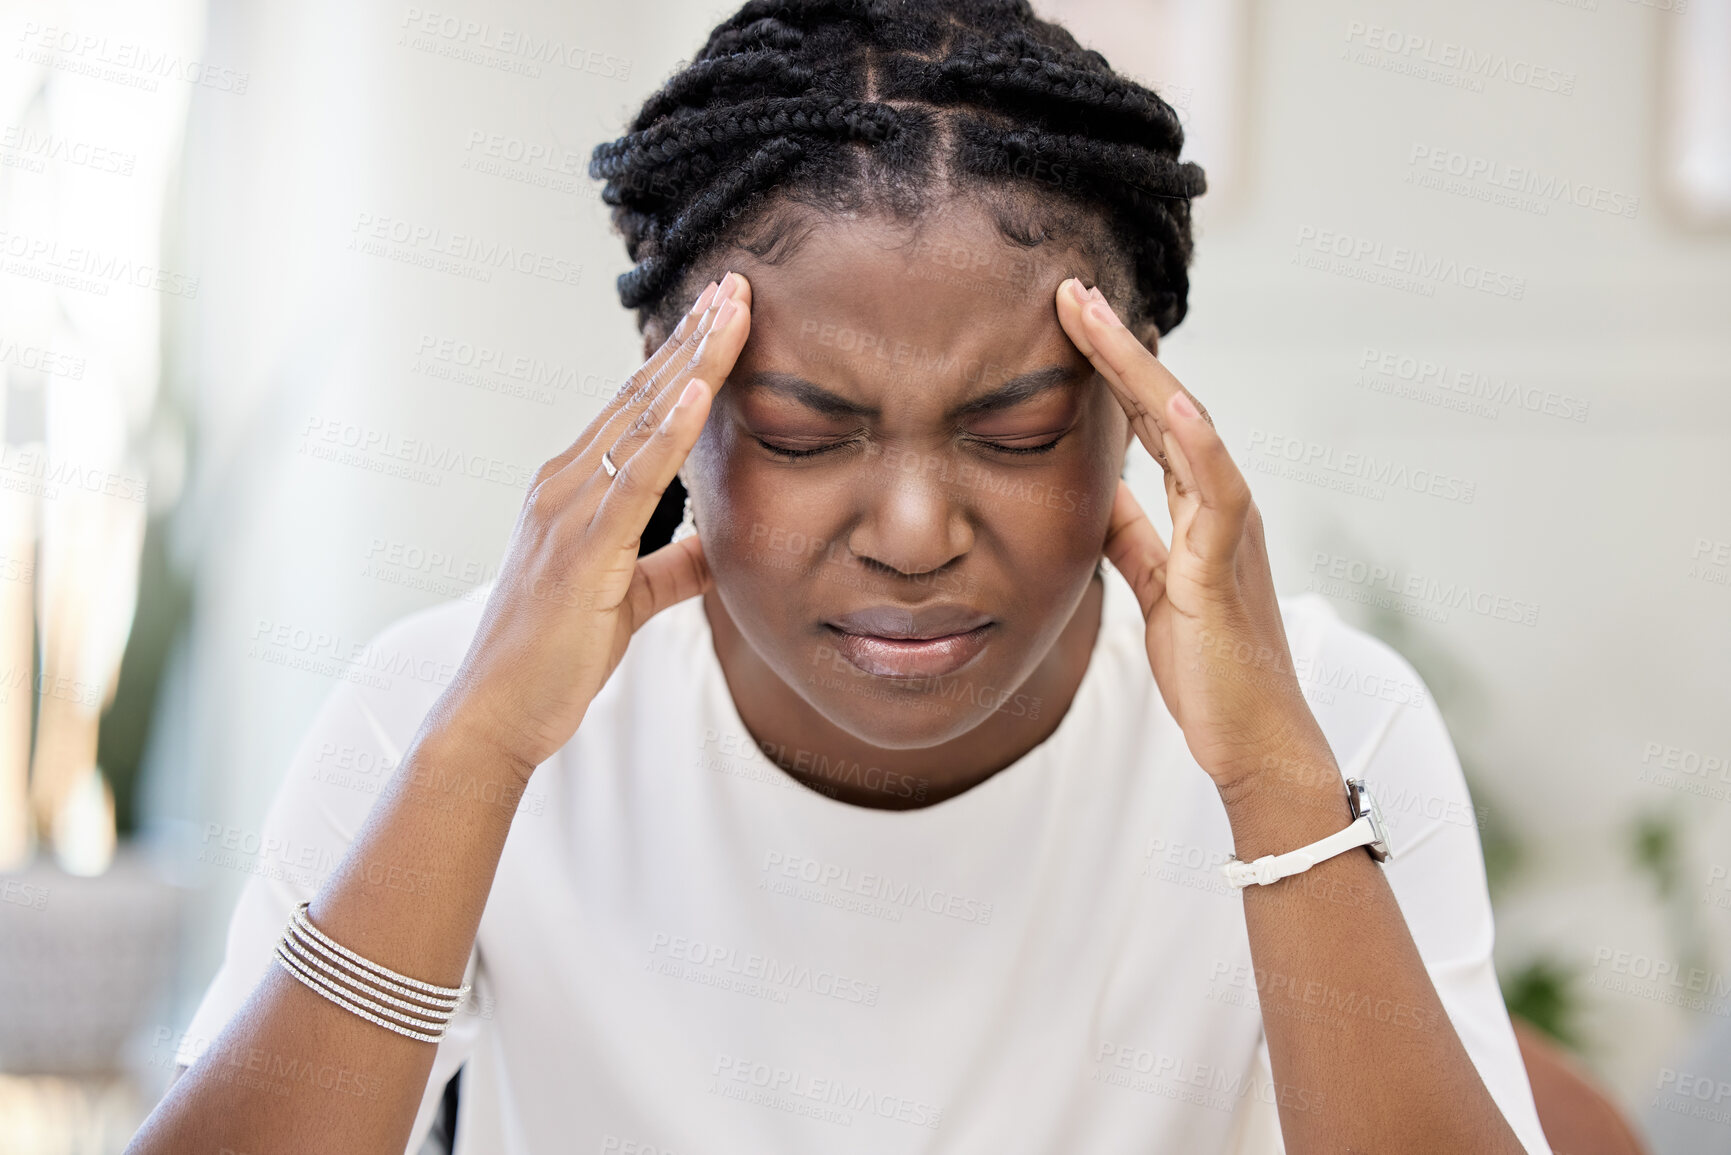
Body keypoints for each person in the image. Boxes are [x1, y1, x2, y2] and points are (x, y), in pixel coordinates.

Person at [127, 2, 1555, 1152]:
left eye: (1018, 429)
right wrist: (481, 750)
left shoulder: (1333, 724)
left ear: (1136, 404)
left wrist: (1273, 788)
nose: (917, 529)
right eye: (810, 431)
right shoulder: (440, 712)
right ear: (670, 410)